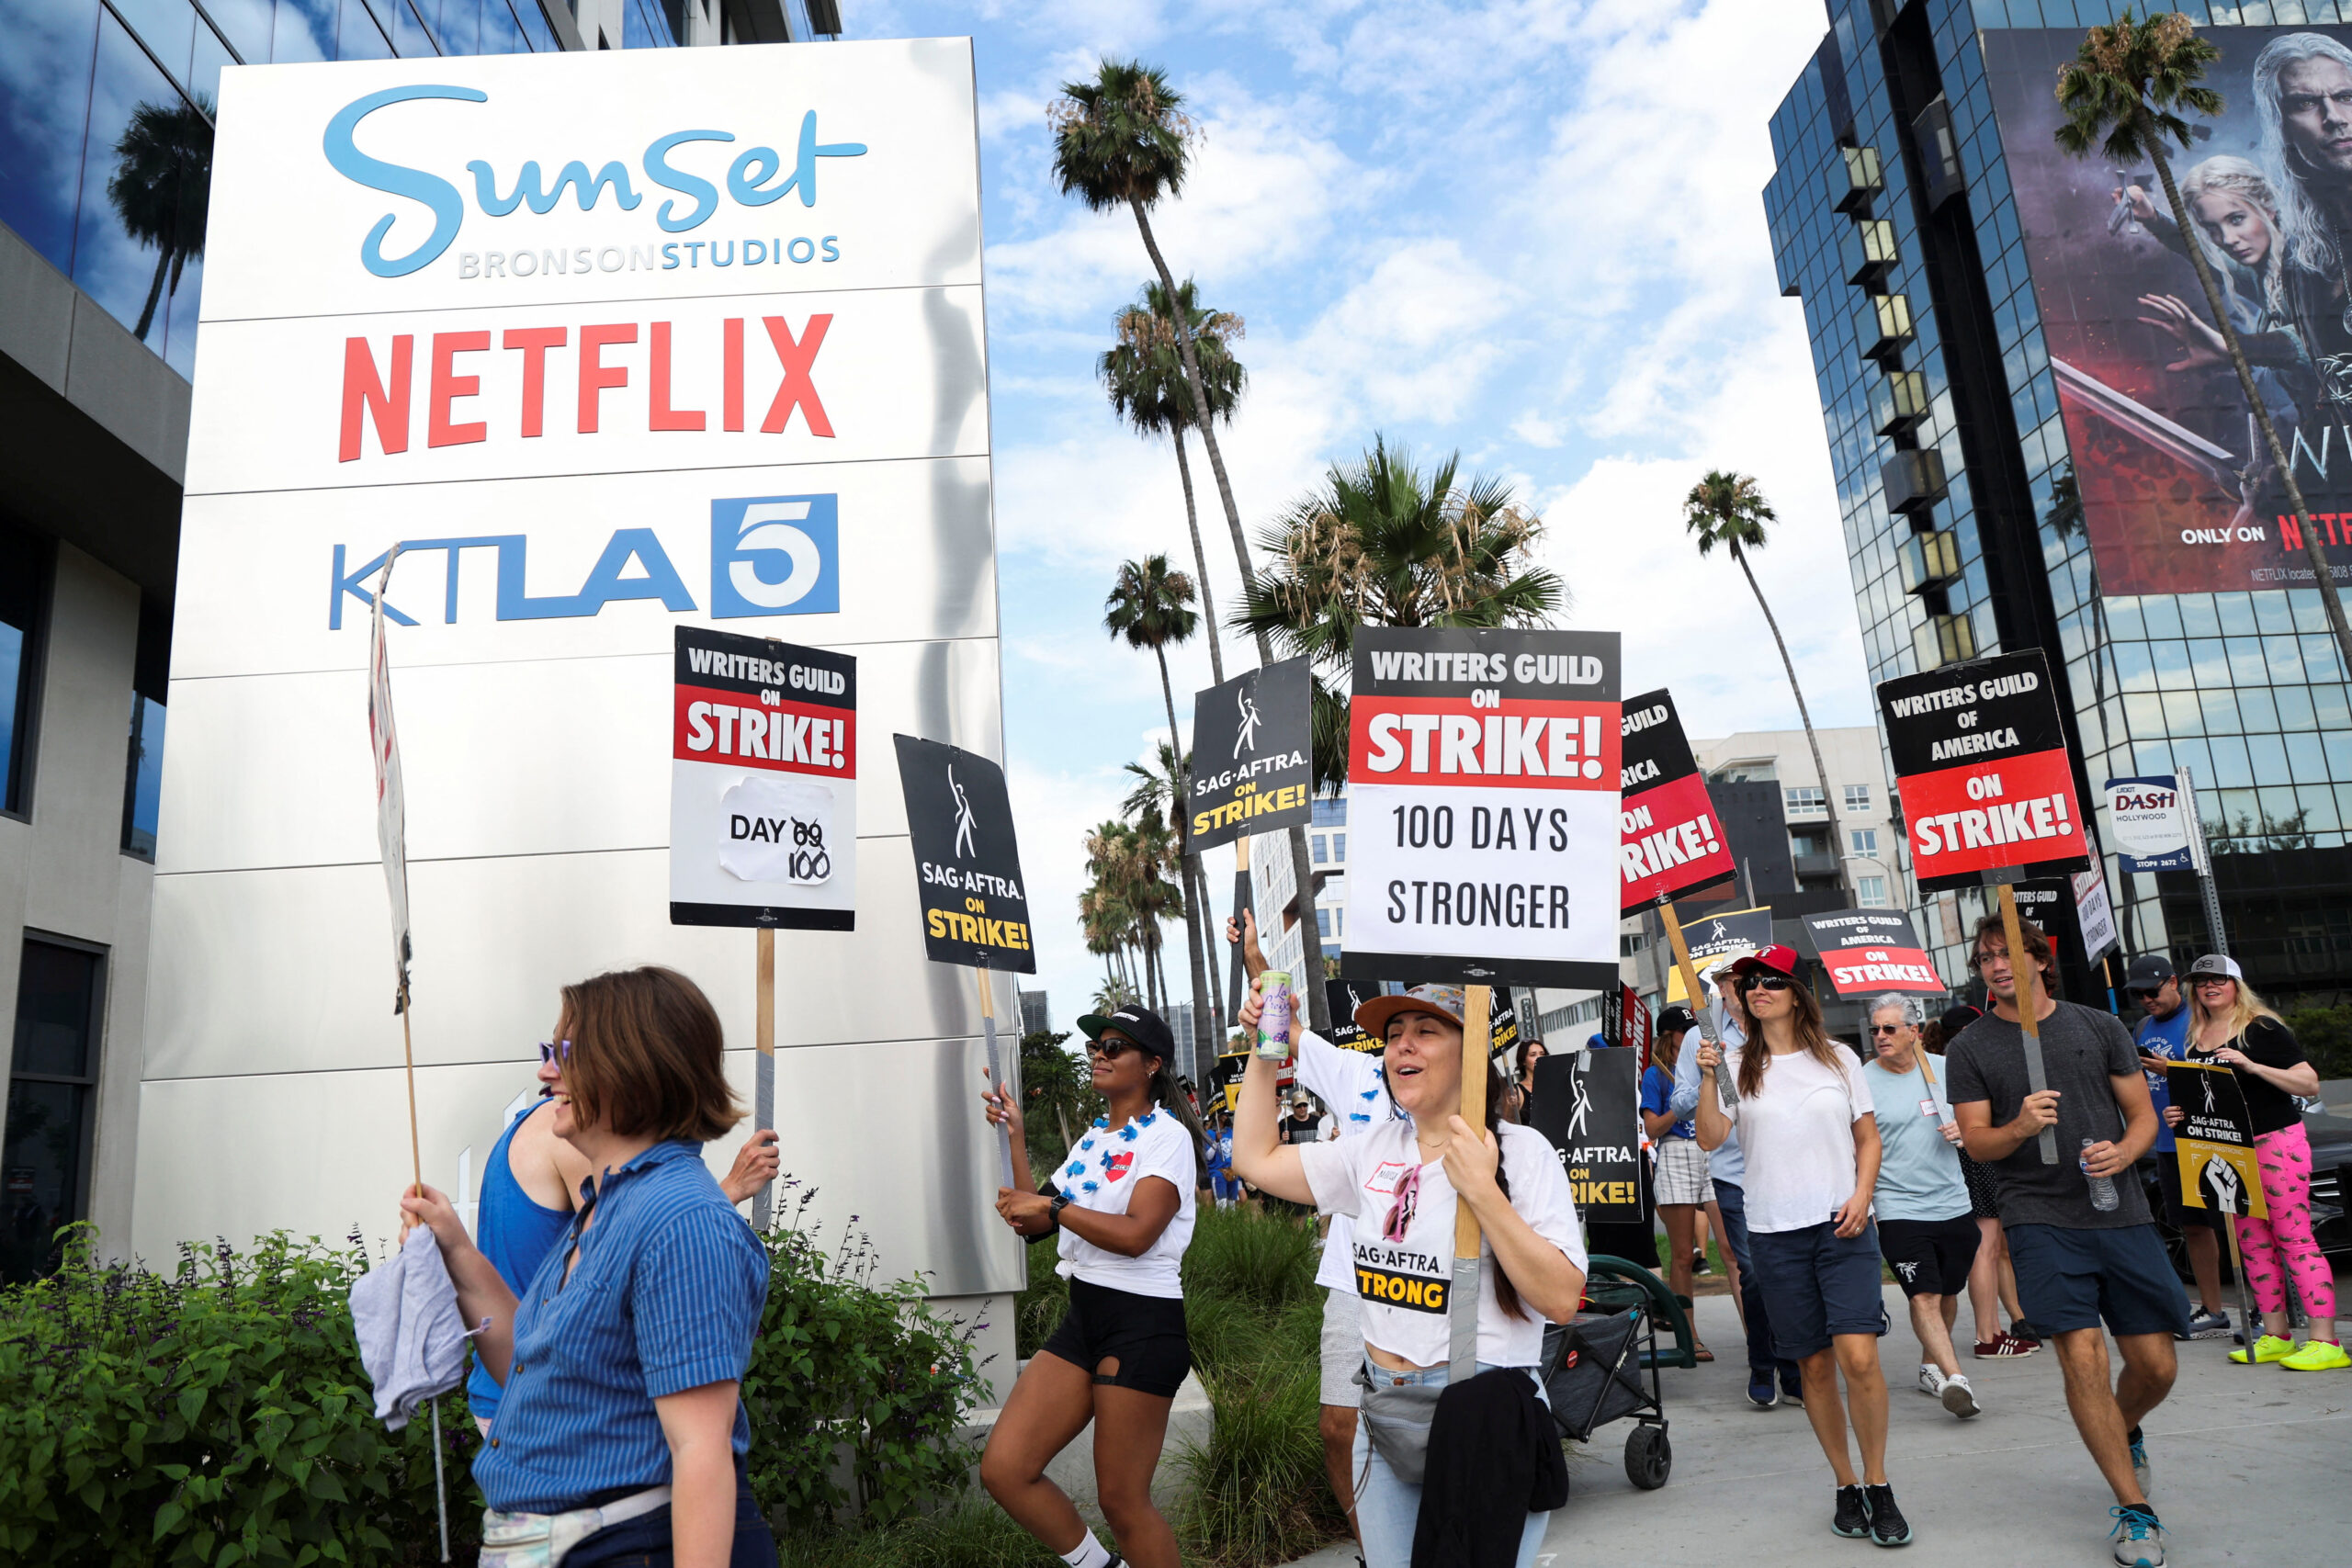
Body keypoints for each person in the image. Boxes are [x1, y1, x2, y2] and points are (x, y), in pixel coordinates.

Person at [397, 966, 776, 1566]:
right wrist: (457, 1253)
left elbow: (700, 1449)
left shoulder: (681, 1219)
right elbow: (529, 1359)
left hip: (629, 1544)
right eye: (551, 1050)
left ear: (633, 1066)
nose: (548, 1070)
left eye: (566, 1051)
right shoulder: (608, 1205)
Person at [1229, 979, 1586, 1568]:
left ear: (1470, 1055)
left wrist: (1484, 1195)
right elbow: (1255, 1159)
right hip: (1387, 1415)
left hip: (1482, 1418)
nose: (1402, 1048)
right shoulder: (1368, 1149)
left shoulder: (1522, 1153)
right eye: (1394, 1037)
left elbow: (1563, 1299)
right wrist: (1267, 1041)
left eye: (1425, 1032)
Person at [1945, 915, 2183, 1568]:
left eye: (2008, 952)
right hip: (2038, 1213)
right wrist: (2019, 1124)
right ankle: (2135, 1511)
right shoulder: (1970, 1047)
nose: (1996, 964)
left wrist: (2126, 1152)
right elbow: (1980, 1141)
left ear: (2041, 960)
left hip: (2119, 1210)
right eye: (1986, 954)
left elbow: (2139, 1115)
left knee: (2157, 1365)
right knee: (2082, 1359)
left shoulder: (2097, 1025)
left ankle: (2124, 1426)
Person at [1693, 946, 1910, 1547]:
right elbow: (1710, 1138)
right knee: (1812, 1363)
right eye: (1747, 983)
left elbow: (1867, 1138)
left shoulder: (1839, 1056)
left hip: (1841, 1226)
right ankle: (1845, 1484)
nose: (1756, 989)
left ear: (1795, 991)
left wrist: (1864, 1193)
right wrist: (1710, 1077)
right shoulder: (1735, 1063)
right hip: (1774, 1232)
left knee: (1859, 1357)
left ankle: (1878, 1481)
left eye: (1769, 980)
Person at [978, 1003, 1204, 1568]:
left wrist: (1052, 1205)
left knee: (1123, 1501)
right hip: (1086, 1319)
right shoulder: (1090, 1142)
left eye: (1114, 1047)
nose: (1099, 1056)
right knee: (1005, 1469)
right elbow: (1031, 1225)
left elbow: (1135, 1236)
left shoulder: (1167, 1138)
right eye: (1096, 1047)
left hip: (1143, 1324)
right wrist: (1015, 1136)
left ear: (1152, 1064)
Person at [468, 1085, 779, 1435]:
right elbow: (627, 1261)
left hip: (516, 1390)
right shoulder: (573, 1143)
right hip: (553, 1408)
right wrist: (729, 1191)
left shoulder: (539, 1123)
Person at [1229, 908, 1396, 1552]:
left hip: (1430, 1284)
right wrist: (1257, 965)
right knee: (1338, 1427)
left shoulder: (1456, 1082)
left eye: (1419, 1024)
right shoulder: (1355, 1072)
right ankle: (1375, 1550)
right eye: (1392, 1025)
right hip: (1353, 1279)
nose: (1404, 1040)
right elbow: (1284, 1025)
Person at [2180, 954, 2344, 1371]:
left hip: (2275, 1142)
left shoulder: (2260, 1027)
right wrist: (2178, 1115)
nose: (2209, 986)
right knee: (2252, 1245)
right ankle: (2276, 1334)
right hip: (2228, 1152)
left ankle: (2326, 1341)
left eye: (2219, 979)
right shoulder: (2195, 1036)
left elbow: (2308, 1083)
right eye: (2201, 981)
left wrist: (2251, 1065)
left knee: (2295, 1239)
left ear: (2237, 984)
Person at [1671, 957, 1803, 1409]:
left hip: (1787, 1166)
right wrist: (1711, 1073)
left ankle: (1796, 1361)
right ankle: (1767, 1365)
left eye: (1749, 979)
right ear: (1719, 986)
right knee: (1754, 1273)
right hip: (1733, 1172)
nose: (1742, 988)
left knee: (1791, 1272)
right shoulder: (1699, 1035)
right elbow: (1682, 1104)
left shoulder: (1781, 1024)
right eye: (1731, 980)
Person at [1860, 994, 1983, 1419]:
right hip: (1896, 1205)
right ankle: (1956, 1378)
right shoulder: (1862, 1081)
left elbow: (1983, 1122)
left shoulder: (1945, 1070)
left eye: (1889, 1028)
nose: (1880, 1036)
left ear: (1914, 1031)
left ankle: (1931, 1366)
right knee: (1924, 1295)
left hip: (1953, 1200)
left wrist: (1966, 1131)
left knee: (1949, 1291)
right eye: (1875, 1028)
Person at [2125, 954, 2232, 1341]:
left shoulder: (2202, 1018)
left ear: (2172, 982)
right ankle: (2215, 1310)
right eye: (2138, 994)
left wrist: (2169, 1070)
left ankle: (2265, 1309)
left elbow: (2221, 1076)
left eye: (2152, 991)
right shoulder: (2142, 1026)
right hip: (2167, 1143)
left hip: (2209, 1137)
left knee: (2237, 1227)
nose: (2147, 1000)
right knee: (2194, 1227)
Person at [1937, 1002, 2040, 1359]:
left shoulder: (1967, 1056)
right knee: (1987, 1245)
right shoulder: (1957, 1059)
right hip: (1975, 1158)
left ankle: (2011, 1322)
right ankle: (1988, 1334)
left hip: (1987, 1154)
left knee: (1998, 1247)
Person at [1640, 1006, 1712, 1361]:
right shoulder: (1655, 1075)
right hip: (1676, 1151)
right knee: (1682, 1255)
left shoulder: (1708, 1060)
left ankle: (1757, 1335)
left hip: (1714, 1149)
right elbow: (1652, 1129)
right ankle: (1690, 1336)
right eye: (1686, 1031)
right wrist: (1684, 1105)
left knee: (1731, 1249)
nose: (1693, 1036)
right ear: (1669, 1036)